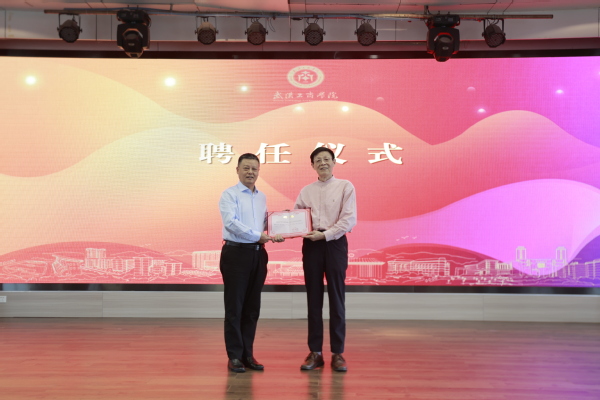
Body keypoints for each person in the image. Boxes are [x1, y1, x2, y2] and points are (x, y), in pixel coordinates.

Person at [218, 153, 284, 373]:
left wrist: (280, 225)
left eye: (254, 169)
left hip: (258, 254)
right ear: (237, 170)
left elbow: (263, 224)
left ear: (258, 172)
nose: (250, 172)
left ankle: (248, 354)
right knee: (235, 308)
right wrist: (258, 235)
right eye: (246, 168)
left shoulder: (261, 197)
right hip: (236, 254)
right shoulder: (229, 194)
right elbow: (231, 223)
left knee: (252, 308)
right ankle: (234, 356)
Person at [294, 147, 357, 372]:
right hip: (312, 245)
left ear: (333, 162)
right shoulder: (306, 191)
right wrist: (288, 223)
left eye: (326, 159)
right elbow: (297, 217)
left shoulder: (345, 186)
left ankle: (338, 353)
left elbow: (349, 220)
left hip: (335, 244)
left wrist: (326, 234)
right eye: (318, 160)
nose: (323, 163)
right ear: (312, 165)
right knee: (313, 299)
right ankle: (315, 352)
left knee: (337, 298)